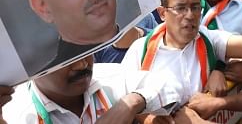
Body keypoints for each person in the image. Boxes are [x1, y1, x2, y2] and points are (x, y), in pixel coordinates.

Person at [121, 0, 242, 123]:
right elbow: (122, 99)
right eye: (180, 8)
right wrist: (148, 119)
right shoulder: (140, 51)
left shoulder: (209, 39)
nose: (190, 15)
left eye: (195, 7)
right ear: (162, 13)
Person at [1, 55, 183, 123]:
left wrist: (130, 104)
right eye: (66, 59)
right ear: (32, 68)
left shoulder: (110, 77)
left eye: (85, 51)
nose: (82, 64)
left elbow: (172, 82)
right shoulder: (17, 115)